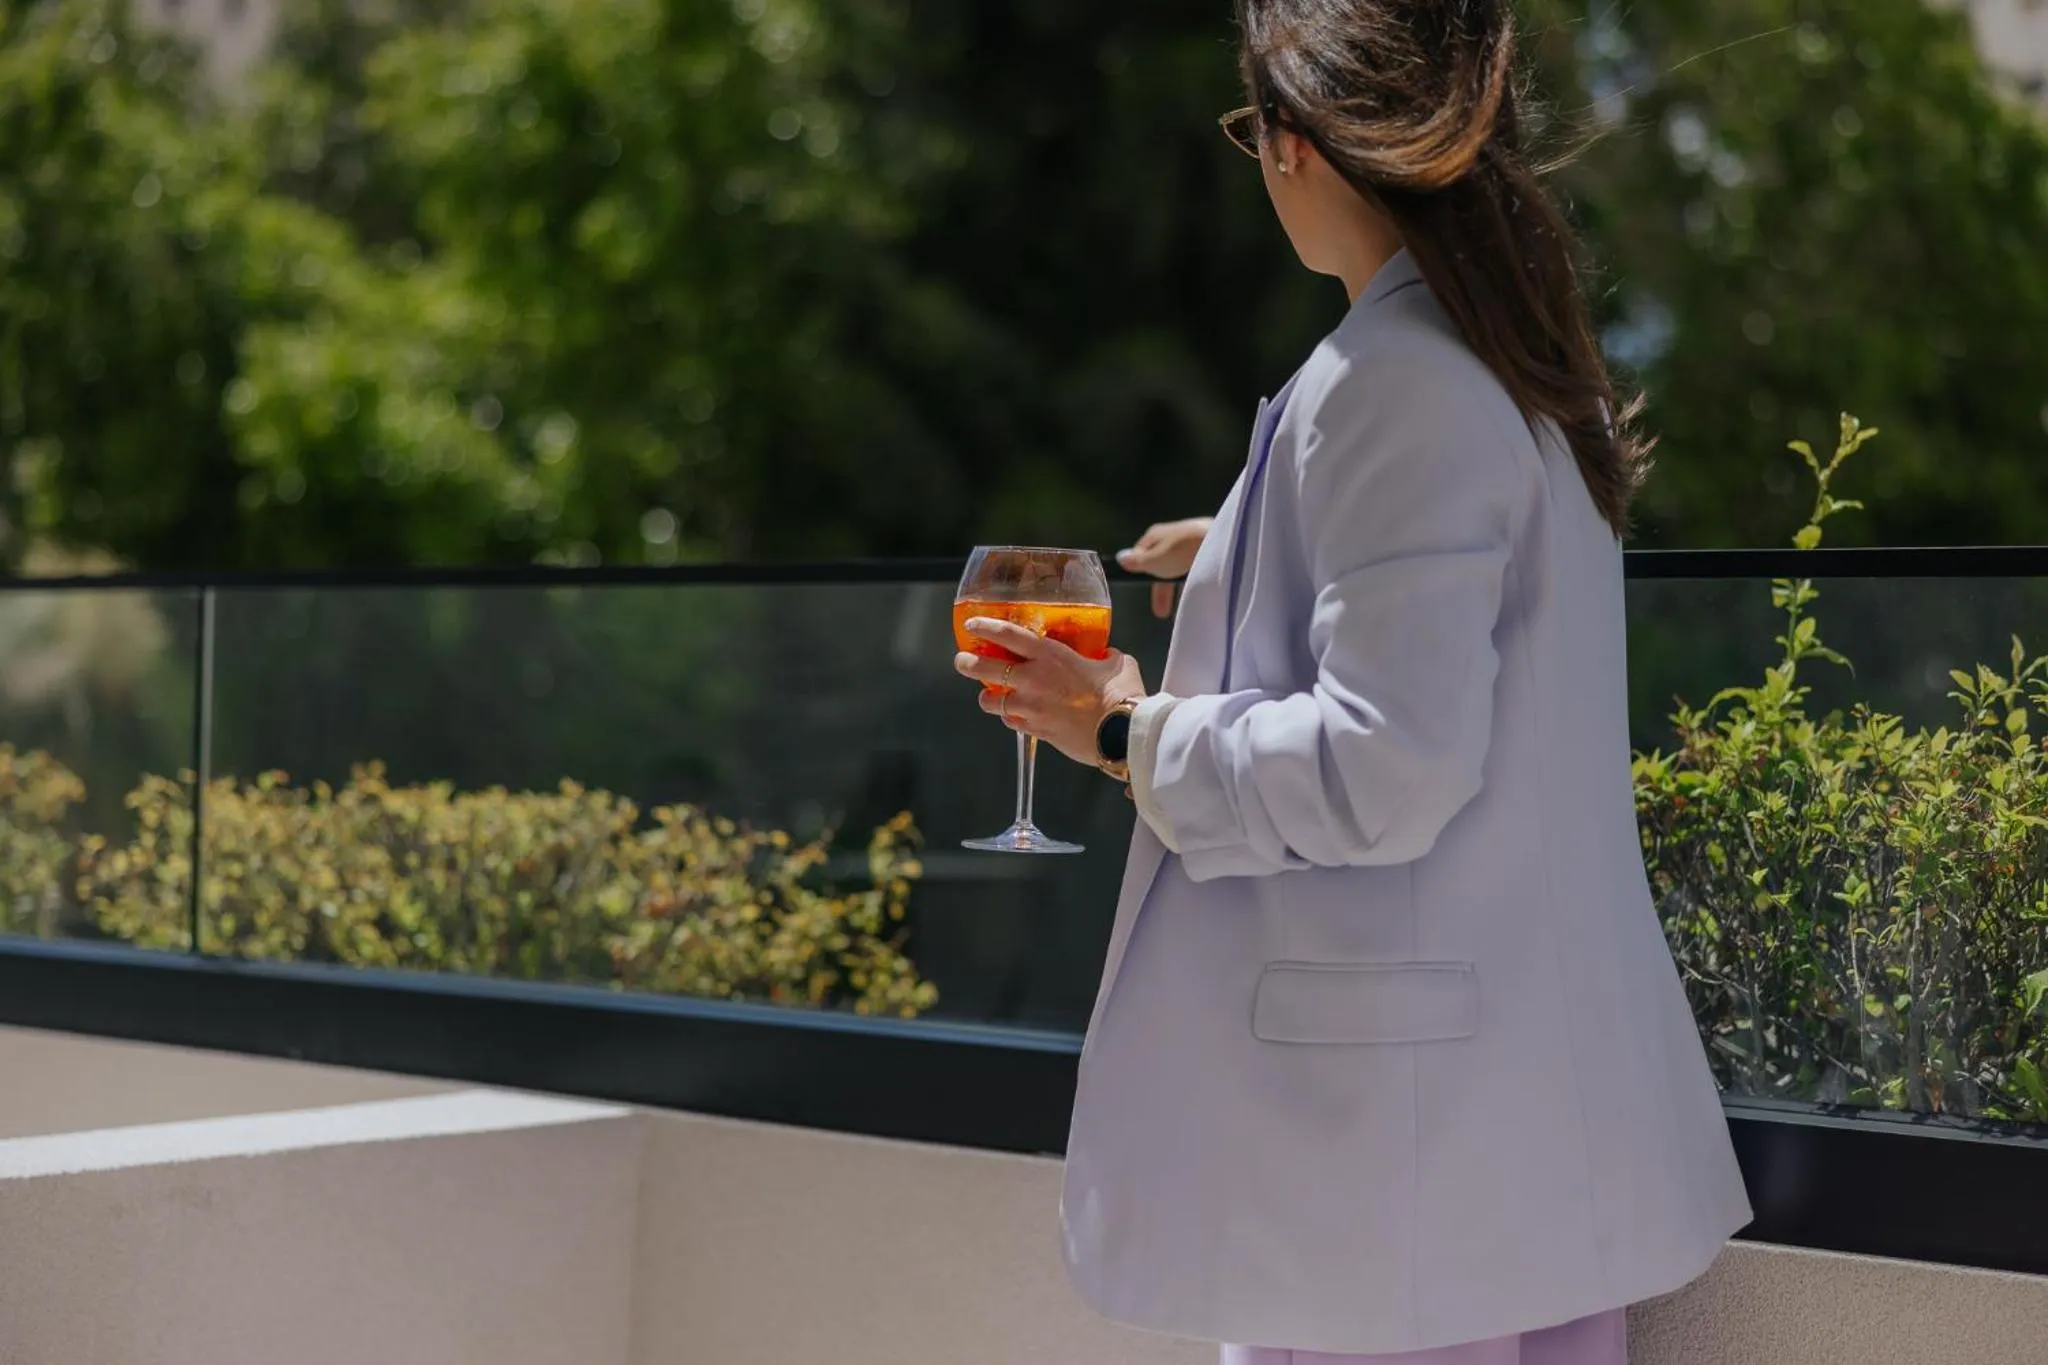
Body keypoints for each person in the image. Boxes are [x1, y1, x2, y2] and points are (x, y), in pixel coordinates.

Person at [952, 1, 1753, 1360]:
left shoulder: (1396, 382)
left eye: (1251, 130)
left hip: (1392, 1170)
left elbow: (1387, 765)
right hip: (1492, 1148)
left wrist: (1122, 729)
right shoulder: (1513, 373)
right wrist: (1244, 549)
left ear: (1298, 143)